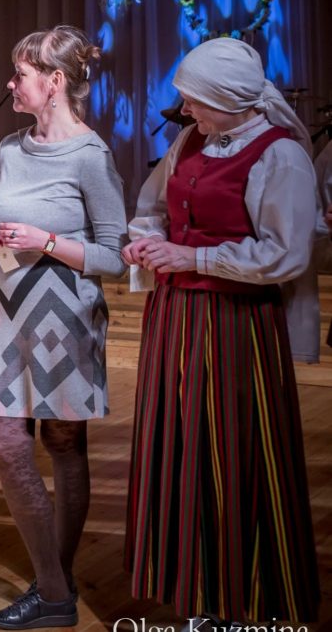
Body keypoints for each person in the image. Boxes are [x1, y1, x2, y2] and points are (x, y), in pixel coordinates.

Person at [121, 37, 320, 626]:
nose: (185, 111)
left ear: (230, 100)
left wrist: (194, 258)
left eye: (194, 101)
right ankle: (195, 589)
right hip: (174, 317)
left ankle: (244, 596)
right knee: (180, 447)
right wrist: (146, 242)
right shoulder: (190, 140)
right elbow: (153, 208)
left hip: (237, 325)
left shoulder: (280, 155)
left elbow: (285, 253)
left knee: (234, 452)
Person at [0, 26, 126, 629]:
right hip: (9, 314)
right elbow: (1, 223)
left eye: (21, 75)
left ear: (55, 82)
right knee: (6, 444)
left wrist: (48, 241)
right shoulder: (10, 149)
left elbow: (114, 256)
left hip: (66, 316)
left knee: (63, 444)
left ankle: (52, 586)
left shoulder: (91, 156)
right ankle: (57, 591)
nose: (10, 84)